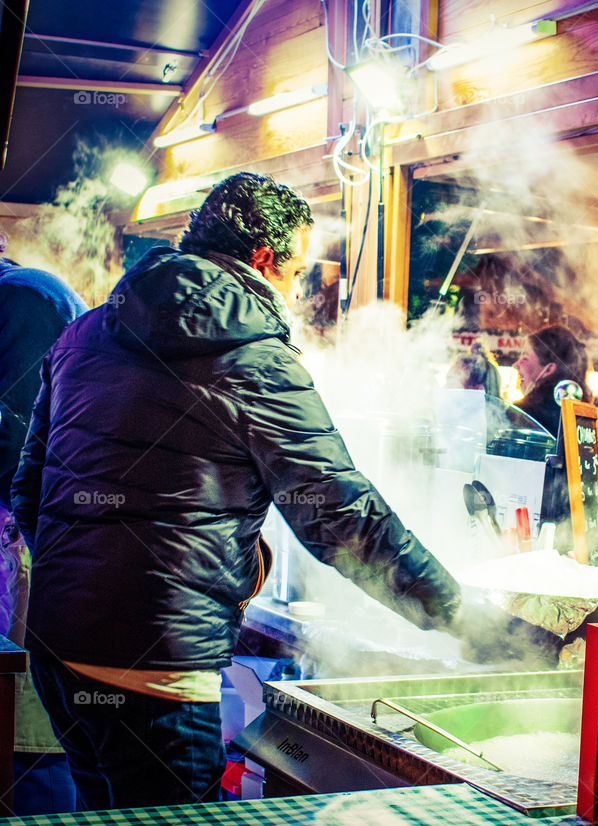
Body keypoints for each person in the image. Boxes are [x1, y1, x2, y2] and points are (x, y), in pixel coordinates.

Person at [12, 173, 558, 811]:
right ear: (266, 261)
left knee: (101, 814)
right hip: (161, 665)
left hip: (57, 650)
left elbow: (28, 489)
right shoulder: (255, 359)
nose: (298, 291)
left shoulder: (83, 335)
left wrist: (85, 578)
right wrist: (472, 624)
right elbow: (346, 521)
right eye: (299, 273)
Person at [0, 229, 86, 815]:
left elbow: (25, 449)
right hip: (21, 542)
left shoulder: (25, 299)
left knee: (30, 742)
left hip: (32, 551)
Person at [514, 324, 590, 438]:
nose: (515, 365)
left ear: (549, 369)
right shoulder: (585, 414)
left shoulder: (523, 414)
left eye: (525, 358)